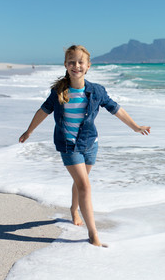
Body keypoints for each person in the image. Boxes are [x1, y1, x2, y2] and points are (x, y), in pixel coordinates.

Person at [19, 45, 150, 247]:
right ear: (65, 65)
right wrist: (29, 131)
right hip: (68, 145)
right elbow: (43, 111)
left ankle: (74, 209)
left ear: (88, 66)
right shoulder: (59, 91)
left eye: (80, 62)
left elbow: (116, 109)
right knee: (85, 186)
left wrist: (135, 126)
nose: (76, 65)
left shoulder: (97, 91)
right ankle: (93, 234)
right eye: (72, 62)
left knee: (82, 182)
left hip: (90, 143)